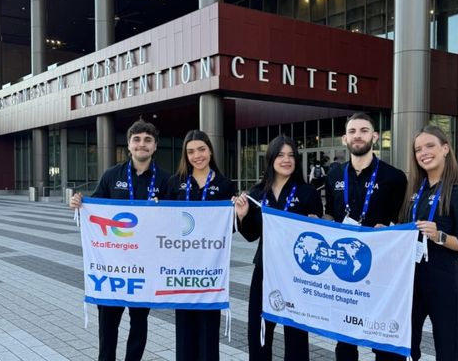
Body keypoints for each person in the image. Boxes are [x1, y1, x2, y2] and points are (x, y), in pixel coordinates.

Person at [69, 118, 170, 361]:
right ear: (128, 145)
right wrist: (78, 204)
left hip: (144, 268)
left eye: (148, 140)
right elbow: (93, 214)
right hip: (112, 267)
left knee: (139, 322)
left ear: (155, 146)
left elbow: (174, 223)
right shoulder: (112, 176)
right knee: (108, 326)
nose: (142, 145)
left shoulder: (166, 180)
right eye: (137, 140)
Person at [323, 112, 407, 361]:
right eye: (352, 131)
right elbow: (331, 215)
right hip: (345, 269)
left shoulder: (394, 177)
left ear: (375, 136)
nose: (357, 136)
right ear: (344, 139)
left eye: (363, 130)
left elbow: (404, 222)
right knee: (345, 340)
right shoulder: (335, 175)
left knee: (384, 343)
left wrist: (390, 229)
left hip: (382, 270)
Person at [235, 135, 323, 361]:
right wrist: (243, 217)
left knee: (296, 333)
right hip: (265, 271)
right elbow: (252, 235)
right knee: (259, 330)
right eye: (281, 155)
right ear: (271, 158)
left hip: (297, 274)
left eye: (291, 155)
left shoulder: (307, 192)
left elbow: (317, 238)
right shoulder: (257, 193)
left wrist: (316, 225)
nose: (286, 160)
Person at [397, 125, 458, 361]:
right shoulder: (414, 190)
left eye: (430, 146)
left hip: (444, 283)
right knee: (407, 348)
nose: (424, 152)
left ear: (445, 148)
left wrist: (439, 236)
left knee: (447, 349)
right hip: (411, 283)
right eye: (418, 149)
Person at [165, 130, 236, 361]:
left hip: (209, 273)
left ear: (210, 151)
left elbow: (231, 228)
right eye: (191, 151)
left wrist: (238, 213)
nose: (197, 155)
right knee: (184, 334)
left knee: (208, 334)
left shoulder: (225, 185)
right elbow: (162, 223)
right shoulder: (174, 183)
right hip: (182, 271)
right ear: (185, 155)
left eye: (201, 149)